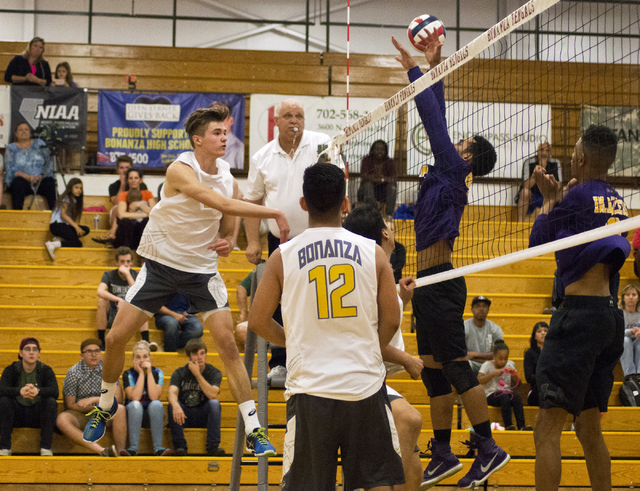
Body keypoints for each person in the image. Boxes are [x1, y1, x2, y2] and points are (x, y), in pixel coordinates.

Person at [83, 104, 289, 458]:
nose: (224, 137)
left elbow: (227, 216)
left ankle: (255, 431)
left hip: (201, 271)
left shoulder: (227, 176)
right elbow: (215, 199)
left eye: (226, 132)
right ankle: (105, 404)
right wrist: (272, 210)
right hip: (161, 265)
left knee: (227, 344)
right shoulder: (180, 169)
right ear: (197, 140)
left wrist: (228, 238)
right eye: (216, 133)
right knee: (116, 337)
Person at [392, 31, 507, 489]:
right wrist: (434, 65)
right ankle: (442, 451)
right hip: (427, 282)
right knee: (434, 374)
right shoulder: (446, 167)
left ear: (469, 157)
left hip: (441, 279)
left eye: (464, 141)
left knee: (455, 368)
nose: (456, 139)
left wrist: (415, 72)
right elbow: (437, 118)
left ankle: (488, 446)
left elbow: (431, 119)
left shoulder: (455, 169)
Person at [249, 163, 404, 491]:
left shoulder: (283, 255)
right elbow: (392, 318)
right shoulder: (373, 252)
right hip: (364, 387)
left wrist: (292, 341)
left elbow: (258, 320)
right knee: (377, 484)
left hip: (310, 391)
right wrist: (368, 349)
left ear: (303, 203)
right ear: (345, 203)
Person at [529, 124, 630, 491]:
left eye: (573, 151)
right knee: (589, 428)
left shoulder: (576, 196)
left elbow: (536, 242)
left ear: (582, 158)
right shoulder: (618, 199)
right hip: (609, 317)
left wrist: (550, 200)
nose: (570, 156)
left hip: (579, 316)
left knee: (546, 428)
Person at [244, 98, 331, 379]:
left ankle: (321, 356)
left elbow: (338, 184)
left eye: (300, 116)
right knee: (280, 301)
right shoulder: (262, 157)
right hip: (280, 243)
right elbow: (253, 202)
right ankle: (280, 362)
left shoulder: (321, 144)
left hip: (319, 238)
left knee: (317, 297)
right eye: (288, 115)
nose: (295, 120)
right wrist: (253, 242)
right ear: (276, 121)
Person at [343, 204, 424, 491]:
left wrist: (403, 299)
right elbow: (368, 338)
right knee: (410, 419)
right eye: (389, 223)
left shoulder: (382, 274)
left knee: (414, 461)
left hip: (375, 375)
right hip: (358, 377)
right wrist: (407, 359)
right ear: (385, 233)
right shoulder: (369, 278)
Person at [56, 339, 126, 457]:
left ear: (101, 353)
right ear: (82, 355)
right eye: (89, 351)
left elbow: (118, 398)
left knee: (120, 409)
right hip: (82, 414)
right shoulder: (73, 373)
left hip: (104, 412)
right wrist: (93, 408)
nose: (93, 354)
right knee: (62, 419)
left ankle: (121, 452)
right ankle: (101, 450)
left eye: (96, 351)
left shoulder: (109, 369)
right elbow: (70, 404)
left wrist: (95, 400)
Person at [0, 338, 58, 456]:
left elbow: (55, 391)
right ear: (21, 353)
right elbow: (1, 390)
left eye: (35, 349)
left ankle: (45, 448)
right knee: (4, 401)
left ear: (39, 354)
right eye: (27, 349)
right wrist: (19, 391)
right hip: (16, 414)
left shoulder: (45, 370)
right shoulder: (11, 369)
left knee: (51, 402)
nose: (31, 352)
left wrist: (38, 391)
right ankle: (5, 447)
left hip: (37, 415)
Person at [168, 338, 224, 456]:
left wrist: (197, 374)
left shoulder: (214, 372)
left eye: (202, 353)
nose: (199, 357)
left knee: (214, 404)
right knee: (172, 404)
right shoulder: (180, 372)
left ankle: (213, 448)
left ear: (206, 355)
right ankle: (180, 447)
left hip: (203, 415)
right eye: (195, 354)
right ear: (189, 357)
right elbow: (172, 392)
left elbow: (212, 394)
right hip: (184, 415)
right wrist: (175, 405)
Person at [96, 246, 152, 350]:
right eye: (122, 262)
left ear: (131, 263)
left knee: (142, 303)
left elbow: (139, 294)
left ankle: (146, 341)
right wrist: (118, 299)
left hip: (130, 315)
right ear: (116, 263)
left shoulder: (136, 275)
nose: (125, 265)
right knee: (101, 301)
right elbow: (100, 291)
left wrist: (127, 274)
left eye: (128, 261)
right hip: (113, 313)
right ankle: (101, 341)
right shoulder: (109, 275)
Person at [121, 341, 171, 456]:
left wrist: (148, 372)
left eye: (145, 357)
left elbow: (154, 397)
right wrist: (141, 374)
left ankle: (158, 448)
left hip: (152, 415)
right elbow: (135, 397)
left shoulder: (157, 373)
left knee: (157, 404)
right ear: (133, 360)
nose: (142, 360)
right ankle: (133, 448)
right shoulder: (128, 374)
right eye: (138, 357)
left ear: (150, 358)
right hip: (133, 415)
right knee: (136, 405)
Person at [93, 155, 148, 245]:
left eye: (127, 167)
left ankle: (112, 233)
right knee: (118, 208)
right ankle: (113, 234)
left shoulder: (141, 185)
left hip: (136, 213)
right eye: (121, 168)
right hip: (119, 215)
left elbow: (141, 203)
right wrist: (123, 185)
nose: (124, 170)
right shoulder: (113, 186)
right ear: (117, 170)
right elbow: (116, 202)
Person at [478, 341, 531, 431]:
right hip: (490, 395)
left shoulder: (510, 365)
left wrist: (514, 375)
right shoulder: (487, 365)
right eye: (500, 358)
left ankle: (521, 426)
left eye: (505, 359)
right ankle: (508, 425)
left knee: (516, 398)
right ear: (494, 357)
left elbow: (519, 385)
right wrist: (493, 374)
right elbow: (479, 380)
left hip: (506, 393)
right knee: (504, 397)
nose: (503, 361)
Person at [3, 122, 56, 211]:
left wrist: (40, 177)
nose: (24, 132)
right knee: (17, 183)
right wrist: (28, 177)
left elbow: (49, 162)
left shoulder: (39, 143)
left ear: (30, 133)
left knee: (50, 182)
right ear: (16, 134)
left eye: (26, 129)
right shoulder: (11, 148)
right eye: (20, 130)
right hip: (23, 183)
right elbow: (10, 169)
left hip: (40, 181)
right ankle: (18, 216)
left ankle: (55, 217)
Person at [45, 178, 90, 261]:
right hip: (56, 225)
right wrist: (76, 227)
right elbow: (63, 215)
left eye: (80, 188)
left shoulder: (74, 200)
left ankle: (60, 238)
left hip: (63, 225)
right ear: (71, 188)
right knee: (78, 243)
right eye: (76, 187)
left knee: (86, 229)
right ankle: (54, 244)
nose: (79, 190)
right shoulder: (66, 198)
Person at [516, 142, 561, 222]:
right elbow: (526, 185)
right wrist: (539, 172)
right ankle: (520, 224)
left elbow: (559, 185)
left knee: (562, 193)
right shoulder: (529, 162)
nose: (543, 153)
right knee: (524, 192)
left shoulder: (555, 163)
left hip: (548, 194)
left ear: (550, 153)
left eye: (547, 151)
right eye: (541, 150)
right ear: (537, 151)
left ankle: (555, 224)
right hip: (533, 195)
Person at [113, 168, 155, 251]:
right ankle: (125, 253)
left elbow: (155, 212)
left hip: (141, 232)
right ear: (127, 180)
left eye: (136, 178)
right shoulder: (123, 194)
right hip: (128, 233)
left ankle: (144, 256)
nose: (133, 180)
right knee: (125, 222)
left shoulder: (147, 193)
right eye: (130, 178)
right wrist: (143, 214)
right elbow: (121, 215)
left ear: (140, 180)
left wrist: (139, 205)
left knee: (146, 222)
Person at [464, 296, 504, 375]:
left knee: (510, 364)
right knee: (466, 364)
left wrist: (474, 355)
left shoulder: (495, 329)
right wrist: (486, 357)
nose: (481, 309)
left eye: (484, 306)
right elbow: (462, 355)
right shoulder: (464, 327)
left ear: (488, 310)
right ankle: (468, 387)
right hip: (472, 364)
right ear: (472, 309)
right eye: (478, 306)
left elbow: (498, 355)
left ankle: (503, 387)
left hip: (491, 365)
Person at [357, 140, 397, 218]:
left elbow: (393, 179)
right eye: (377, 149)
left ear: (386, 151)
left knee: (392, 187)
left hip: (382, 193)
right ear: (372, 150)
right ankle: (372, 214)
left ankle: (389, 216)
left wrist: (379, 179)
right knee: (368, 185)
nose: (380, 152)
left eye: (382, 149)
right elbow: (364, 176)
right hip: (366, 193)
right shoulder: (366, 160)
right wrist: (381, 179)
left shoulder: (389, 162)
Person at [523, 321, 548, 406]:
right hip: (536, 389)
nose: (543, 333)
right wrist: (544, 378)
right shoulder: (529, 353)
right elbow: (529, 377)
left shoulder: (554, 353)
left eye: (545, 331)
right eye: (539, 331)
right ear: (534, 335)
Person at [619, 284, 640, 382]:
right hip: (623, 340)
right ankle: (629, 374)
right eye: (628, 294)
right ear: (623, 298)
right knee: (626, 341)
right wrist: (630, 331)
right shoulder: (619, 312)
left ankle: (639, 373)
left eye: (634, 294)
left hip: (637, 340)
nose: (631, 297)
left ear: (638, 297)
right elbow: (616, 332)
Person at [218, 101, 244, 169]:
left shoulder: (239, 148)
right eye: (212, 118)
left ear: (231, 121)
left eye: (221, 118)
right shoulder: (205, 145)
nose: (217, 121)